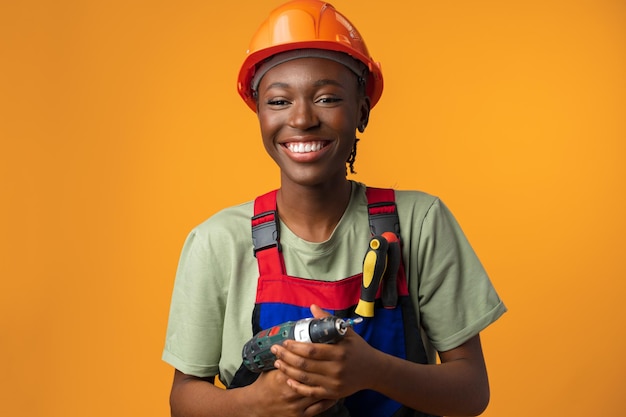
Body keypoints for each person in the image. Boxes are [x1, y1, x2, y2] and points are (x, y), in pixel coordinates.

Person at [162, 1, 507, 416]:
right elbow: (183, 399)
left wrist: (373, 371)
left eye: (326, 98)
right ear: (259, 115)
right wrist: (257, 402)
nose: (303, 118)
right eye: (278, 101)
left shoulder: (419, 223)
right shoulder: (216, 242)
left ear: (361, 111)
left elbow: (472, 391)